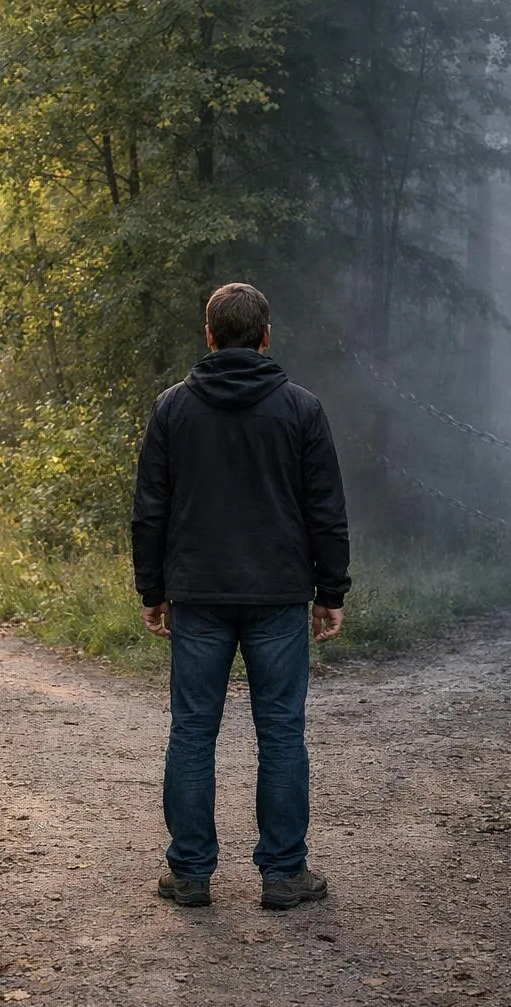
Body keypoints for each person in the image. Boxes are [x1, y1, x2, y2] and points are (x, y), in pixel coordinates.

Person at [131, 282, 351, 911]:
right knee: (280, 731)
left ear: (208, 336)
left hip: (197, 593)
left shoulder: (173, 409)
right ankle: (283, 875)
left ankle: (191, 875)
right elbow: (326, 511)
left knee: (194, 731)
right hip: (279, 594)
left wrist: (154, 589)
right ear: (265, 336)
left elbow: (151, 510)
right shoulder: (302, 409)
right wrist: (330, 590)